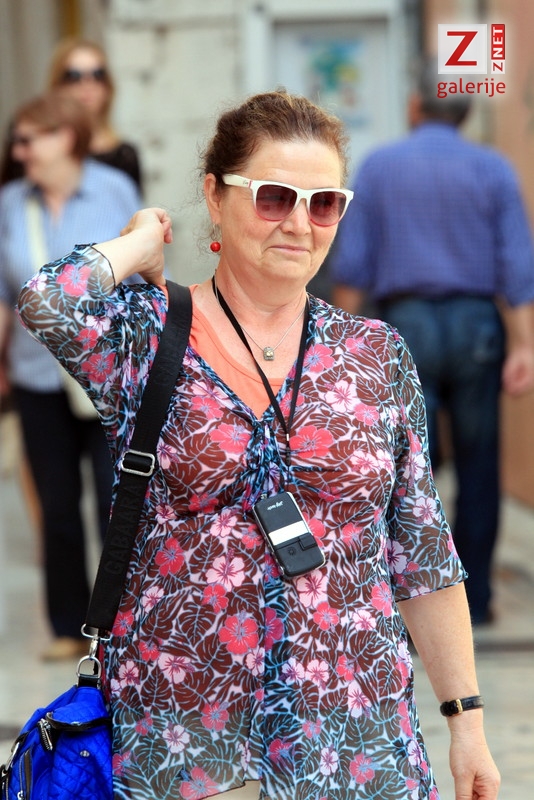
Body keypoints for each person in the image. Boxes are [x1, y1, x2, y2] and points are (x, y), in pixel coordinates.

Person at [18, 90, 499, 800]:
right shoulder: (147, 336)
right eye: (274, 197)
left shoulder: (375, 354)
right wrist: (139, 245)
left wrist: (467, 723)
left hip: (356, 734)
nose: (299, 223)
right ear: (214, 196)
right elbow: (48, 299)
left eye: (324, 203)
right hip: (185, 734)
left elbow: (421, 551)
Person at [330, 62, 534, 627]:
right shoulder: (493, 168)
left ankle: (409, 601)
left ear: (415, 106)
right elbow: (517, 267)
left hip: (407, 327)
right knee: (478, 462)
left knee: (404, 467)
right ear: (465, 112)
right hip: (477, 327)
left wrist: (341, 347)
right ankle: (478, 601)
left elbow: (353, 265)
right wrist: (524, 345)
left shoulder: (379, 167)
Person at [0, 90, 141, 661]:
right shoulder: (11, 202)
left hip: (107, 377)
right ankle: (66, 626)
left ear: (65, 137)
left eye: (28, 140)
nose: (18, 151)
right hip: (36, 376)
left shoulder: (114, 190)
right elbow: (4, 294)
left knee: (115, 502)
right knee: (56, 507)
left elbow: (141, 279)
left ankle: (119, 627)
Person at [1, 37, 142, 191]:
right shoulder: (29, 139)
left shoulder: (124, 155)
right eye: (74, 76)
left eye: (98, 74)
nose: (87, 84)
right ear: (57, 85)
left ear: (108, 86)